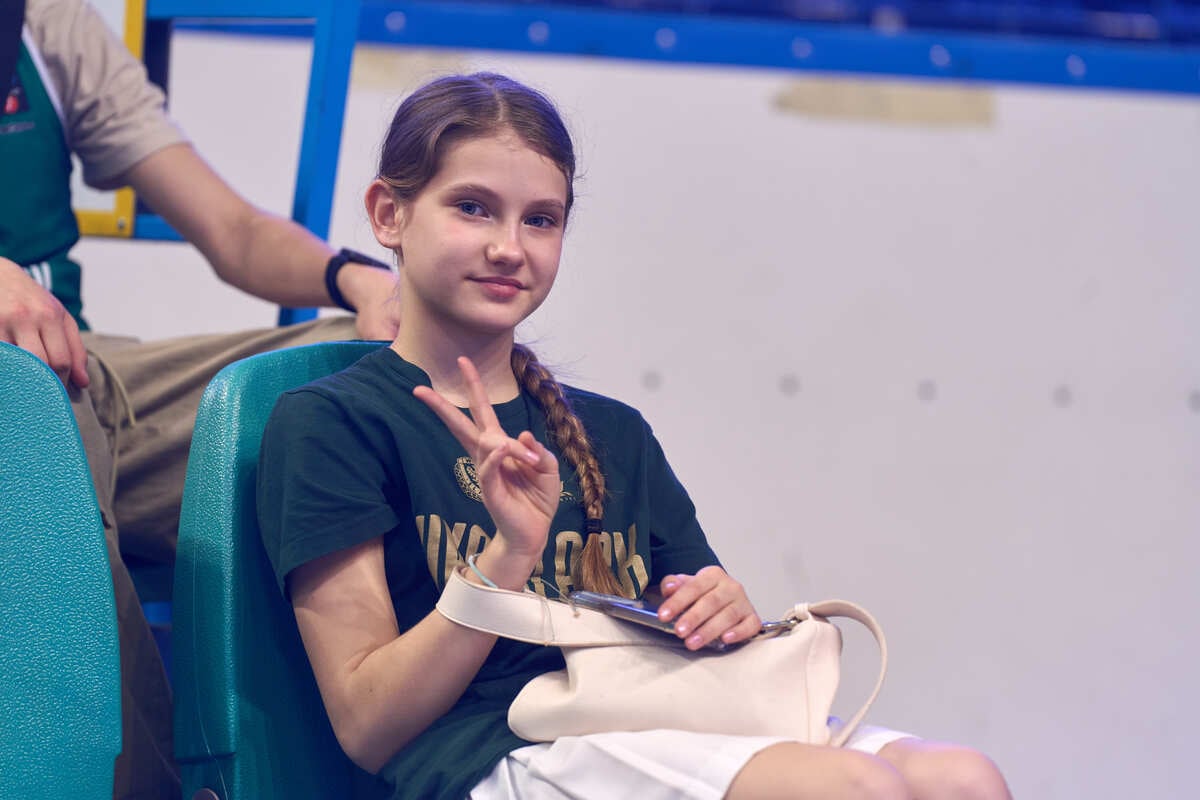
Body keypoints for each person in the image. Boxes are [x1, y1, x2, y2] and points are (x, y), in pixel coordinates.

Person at [256, 72, 1013, 799]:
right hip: (486, 754)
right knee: (856, 789)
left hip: (644, 717)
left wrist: (721, 609)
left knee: (963, 779)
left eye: (540, 219)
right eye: (474, 208)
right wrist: (507, 556)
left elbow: (696, 635)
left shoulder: (615, 432)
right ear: (388, 215)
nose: (509, 247)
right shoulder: (333, 422)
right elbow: (367, 726)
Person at [1, 1, 400, 797]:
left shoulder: (48, 25)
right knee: (33, 416)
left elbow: (233, 230)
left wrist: (357, 279)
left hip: (90, 368)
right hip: (26, 405)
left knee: (358, 376)